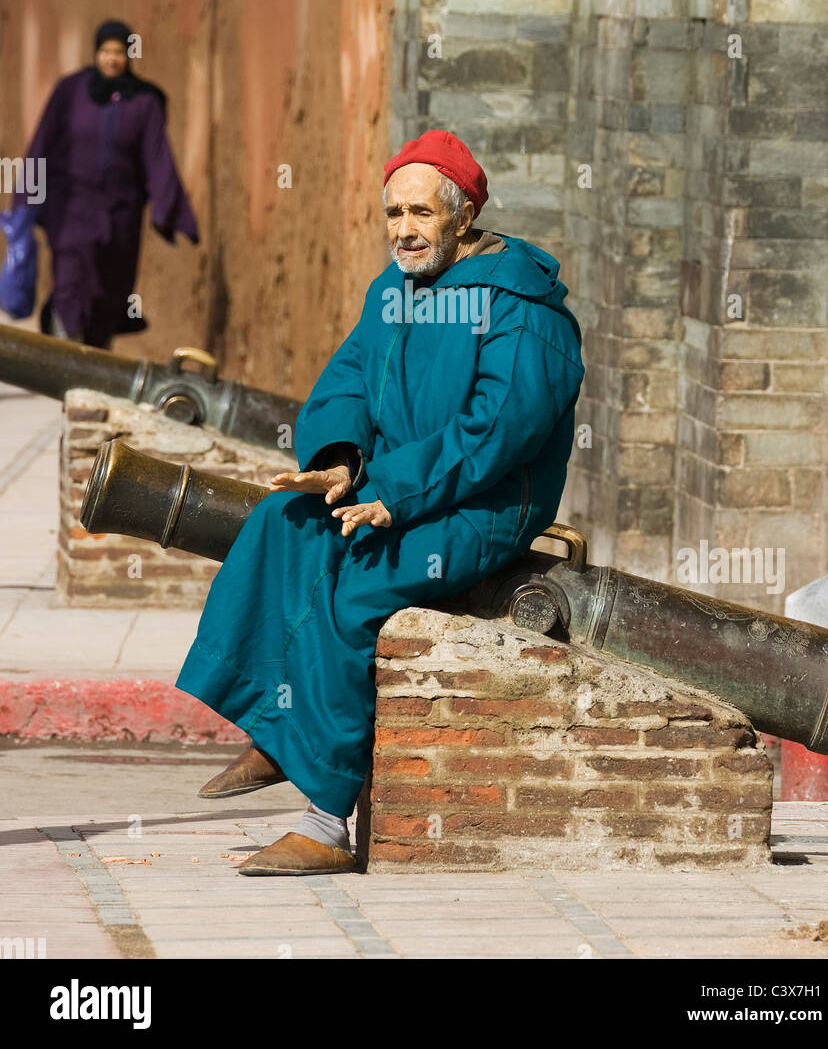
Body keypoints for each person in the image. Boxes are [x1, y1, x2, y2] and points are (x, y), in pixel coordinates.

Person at [178, 129, 585, 875]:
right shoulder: (391, 291)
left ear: (462, 218)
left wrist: (393, 497)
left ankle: (327, 822)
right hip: (393, 486)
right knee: (282, 524)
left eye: (420, 215)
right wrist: (338, 462)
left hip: (479, 508)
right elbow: (349, 379)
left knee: (355, 591)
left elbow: (491, 436)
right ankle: (282, 729)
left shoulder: (522, 309)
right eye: (393, 213)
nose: (403, 230)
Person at [11, 19, 198, 348]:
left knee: (106, 297)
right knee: (69, 286)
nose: (112, 59)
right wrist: (26, 201)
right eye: (106, 51)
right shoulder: (70, 91)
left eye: (119, 52)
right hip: (70, 212)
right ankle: (67, 363)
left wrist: (171, 211)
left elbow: (158, 158)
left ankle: (95, 367)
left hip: (119, 220)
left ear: (129, 56)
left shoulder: (144, 102)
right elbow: (42, 145)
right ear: (95, 53)